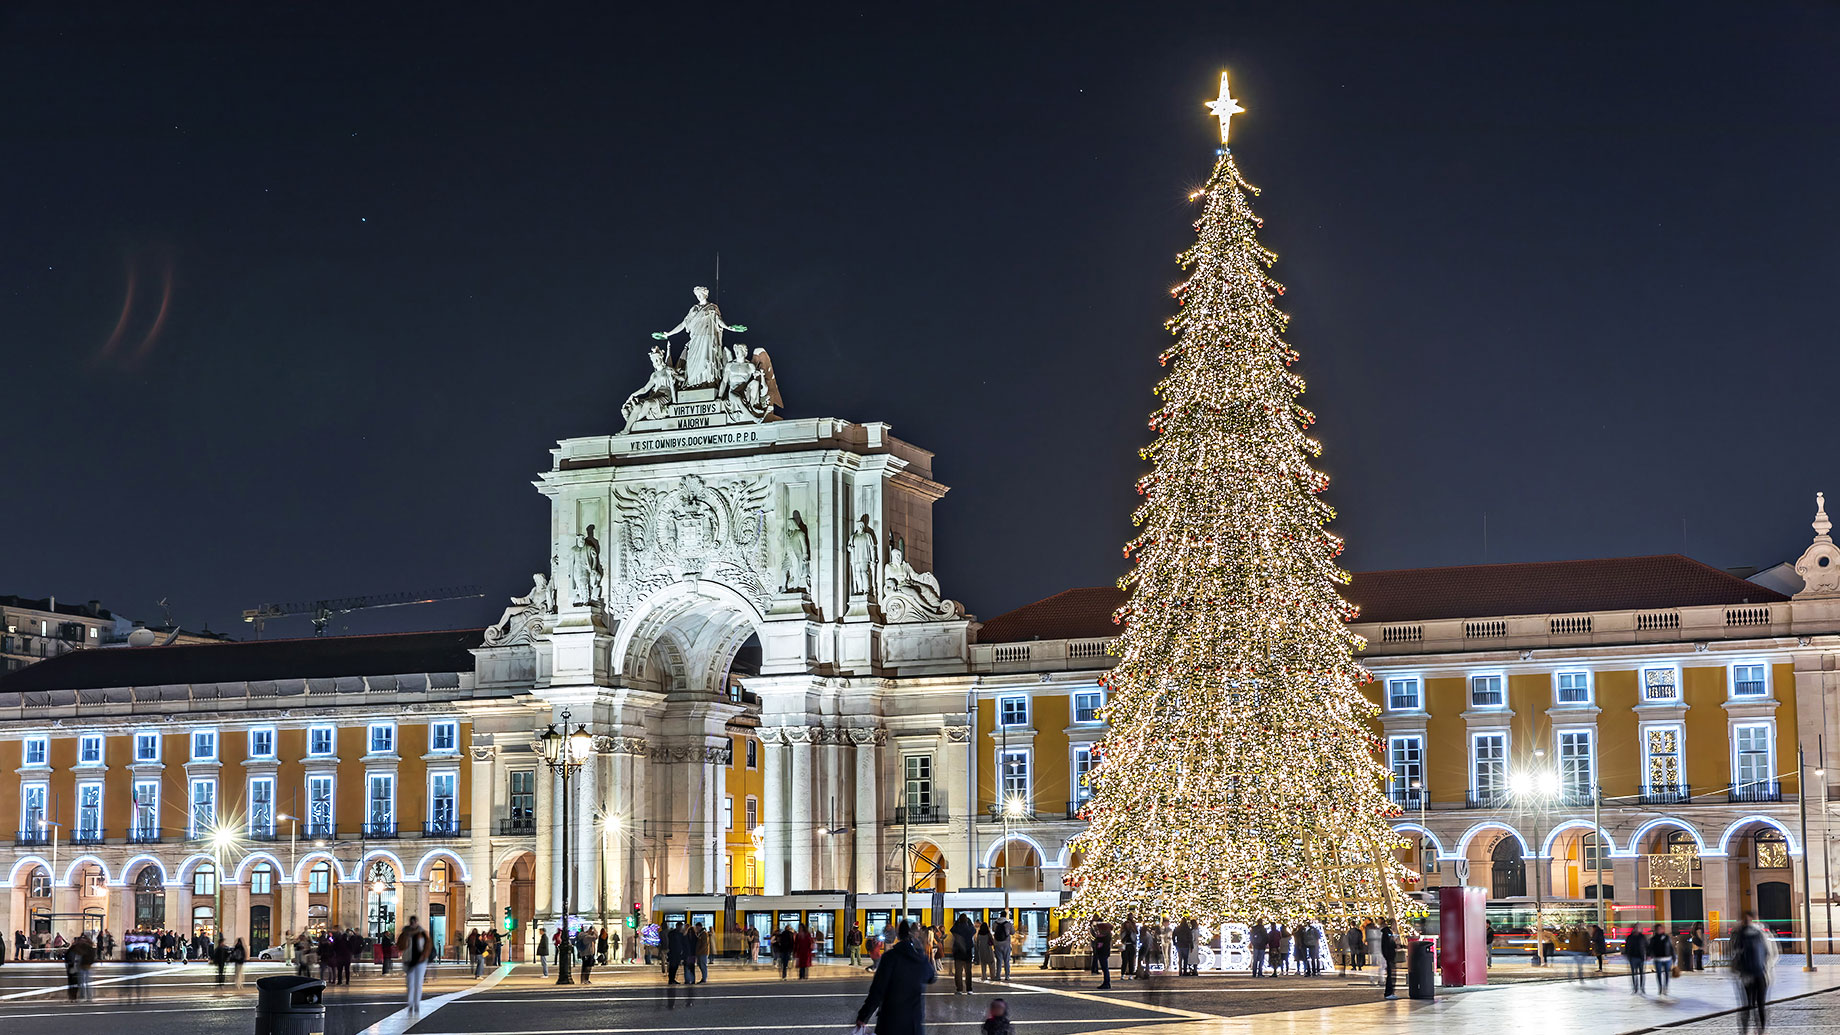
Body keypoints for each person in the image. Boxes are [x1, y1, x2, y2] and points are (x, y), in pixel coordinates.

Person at [852, 921, 936, 1035]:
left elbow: (877, 991)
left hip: (890, 1021)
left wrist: (863, 1016)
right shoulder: (920, 958)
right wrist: (920, 950)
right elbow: (931, 977)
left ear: (898, 935)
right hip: (913, 1023)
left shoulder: (889, 957)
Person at [1729, 911, 1775, 1035]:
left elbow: (1735, 954)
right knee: (1759, 1004)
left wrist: (1737, 969)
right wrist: (1767, 968)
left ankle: (1746, 1031)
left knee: (1748, 1005)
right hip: (1759, 973)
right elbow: (1768, 953)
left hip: (1748, 974)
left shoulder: (1738, 934)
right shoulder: (1760, 934)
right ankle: (1761, 1030)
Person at [398, 915, 431, 1018]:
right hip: (409, 961)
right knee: (410, 984)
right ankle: (410, 1004)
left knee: (418, 983)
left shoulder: (422, 933)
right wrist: (406, 938)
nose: (413, 924)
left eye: (415, 921)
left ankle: (417, 1004)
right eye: (412, 922)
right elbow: (400, 945)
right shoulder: (405, 933)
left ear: (417, 922)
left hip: (420, 961)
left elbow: (428, 946)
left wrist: (424, 956)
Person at [951, 913, 978, 994]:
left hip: (958, 953)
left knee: (958, 972)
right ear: (966, 919)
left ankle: (959, 989)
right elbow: (974, 931)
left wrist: (956, 923)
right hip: (968, 953)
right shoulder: (969, 928)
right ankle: (969, 989)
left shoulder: (957, 927)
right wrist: (969, 922)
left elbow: (952, 930)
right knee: (968, 972)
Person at [1623, 925, 1650, 994]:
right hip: (1632, 957)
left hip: (1640, 957)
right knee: (1634, 974)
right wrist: (1627, 954)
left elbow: (1647, 946)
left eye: (1638, 928)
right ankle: (1635, 988)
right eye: (1636, 928)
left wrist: (1648, 955)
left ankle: (1642, 987)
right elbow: (1627, 946)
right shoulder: (1630, 937)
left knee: (1641, 973)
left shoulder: (1642, 937)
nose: (1637, 929)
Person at [1648, 926, 1674, 995]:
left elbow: (1671, 947)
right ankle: (1660, 987)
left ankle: (1666, 987)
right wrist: (1649, 955)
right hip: (1658, 959)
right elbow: (1650, 948)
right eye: (1658, 929)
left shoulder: (1667, 937)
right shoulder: (1653, 939)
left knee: (1667, 973)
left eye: (1660, 929)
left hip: (1667, 958)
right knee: (1658, 974)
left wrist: (1673, 957)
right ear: (1656, 930)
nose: (1659, 930)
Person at [1091, 915, 1113, 990]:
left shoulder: (1103, 936)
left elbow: (1099, 944)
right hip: (1105, 952)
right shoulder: (1107, 935)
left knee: (1105, 968)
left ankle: (1106, 983)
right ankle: (1106, 982)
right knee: (1105, 968)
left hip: (1102, 952)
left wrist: (1098, 943)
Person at [1379, 922, 1398, 1001]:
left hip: (1388, 956)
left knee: (1391, 975)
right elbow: (1390, 944)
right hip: (1389, 956)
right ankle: (1389, 993)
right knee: (1390, 975)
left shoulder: (1386, 933)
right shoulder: (1388, 933)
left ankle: (1390, 992)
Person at [992, 913, 1014, 981]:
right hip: (1006, 944)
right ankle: (1007, 976)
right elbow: (1012, 932)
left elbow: (993, 930)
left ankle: (998, 975)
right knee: (1006, 961)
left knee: (999, 961)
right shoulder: (1008, 924)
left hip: (997, 944)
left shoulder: (995, 923)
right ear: (1005, 915)